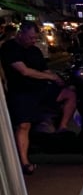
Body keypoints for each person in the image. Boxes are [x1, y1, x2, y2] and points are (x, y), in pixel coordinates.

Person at [0, 21, 77, 175]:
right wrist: (49, 76)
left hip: (41, 89)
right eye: (30, 38)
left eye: (35, 38)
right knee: (24, 126)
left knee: (70, 94)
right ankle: (24, 162)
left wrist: (58, 78)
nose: (33, 41)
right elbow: (24, 71)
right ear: (20, 34)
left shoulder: (35, 50)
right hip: (21, 92)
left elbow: (45, 69)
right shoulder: (10, 48)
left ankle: (61, 127)